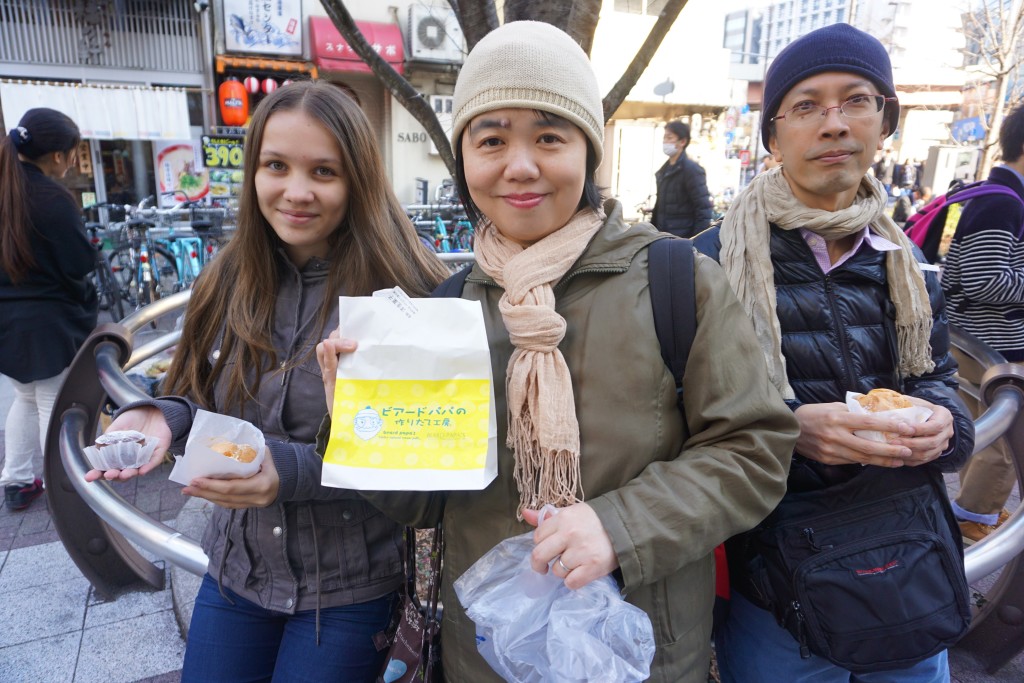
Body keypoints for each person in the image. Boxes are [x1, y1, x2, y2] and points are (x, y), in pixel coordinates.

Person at [317, 21, 799, 682]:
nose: (520, 165)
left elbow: (755, 448)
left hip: (641, 655)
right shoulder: (446, 307)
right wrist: (359, 420)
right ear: (465, 161)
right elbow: (423, 503)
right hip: (487, 655)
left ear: (588, 152)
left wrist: (619, 527)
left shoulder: (673, 280)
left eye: (549, 136)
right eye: (491, 140)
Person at [83, 81, 449, 681]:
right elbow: (198, 395)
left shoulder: (405, 292)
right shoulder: (230, 275)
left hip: (352, 587)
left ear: (358, 179)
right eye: (276, 165)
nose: (295, 192)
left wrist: (291, 474)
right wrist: (166, 416)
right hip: (236, 569)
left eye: (324, 171)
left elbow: (423, 457)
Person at [692, 23, 975, 682]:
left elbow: (941, 391)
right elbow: (674, 419)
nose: (834, 124)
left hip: (906, 569)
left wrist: (942, 425)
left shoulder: (910, 268)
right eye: (808, 106)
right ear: (774, 134)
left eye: (857, 100)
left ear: (884, 123)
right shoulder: (706, 264)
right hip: (778, 582)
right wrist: (786, 429)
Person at [0, 108, 96, 511]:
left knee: (24, 399)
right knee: (53, 407)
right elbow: (77, 263)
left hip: (6, 323)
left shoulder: (6, 187)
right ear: (58, 156)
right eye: (72, 154)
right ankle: (67, 494)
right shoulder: (51, 197)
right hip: (49, 326)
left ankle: (17, 482)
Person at [941, 105, 1024, 543]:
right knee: (1008, 440)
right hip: (995, 343)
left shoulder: (997, 196)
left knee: (986, 431)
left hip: (978, 339)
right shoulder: (1002, 202)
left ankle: (973, 511)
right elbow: (983, 278)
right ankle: (974, 515)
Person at [651, 120, 713, 237]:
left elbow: (703, 210)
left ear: (683, 141)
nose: (665, 142)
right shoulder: (663, 171)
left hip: (683, 240)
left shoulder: (692, 170)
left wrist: (695, 242)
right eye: (664, 138)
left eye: (670, 138)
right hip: (663, 237)